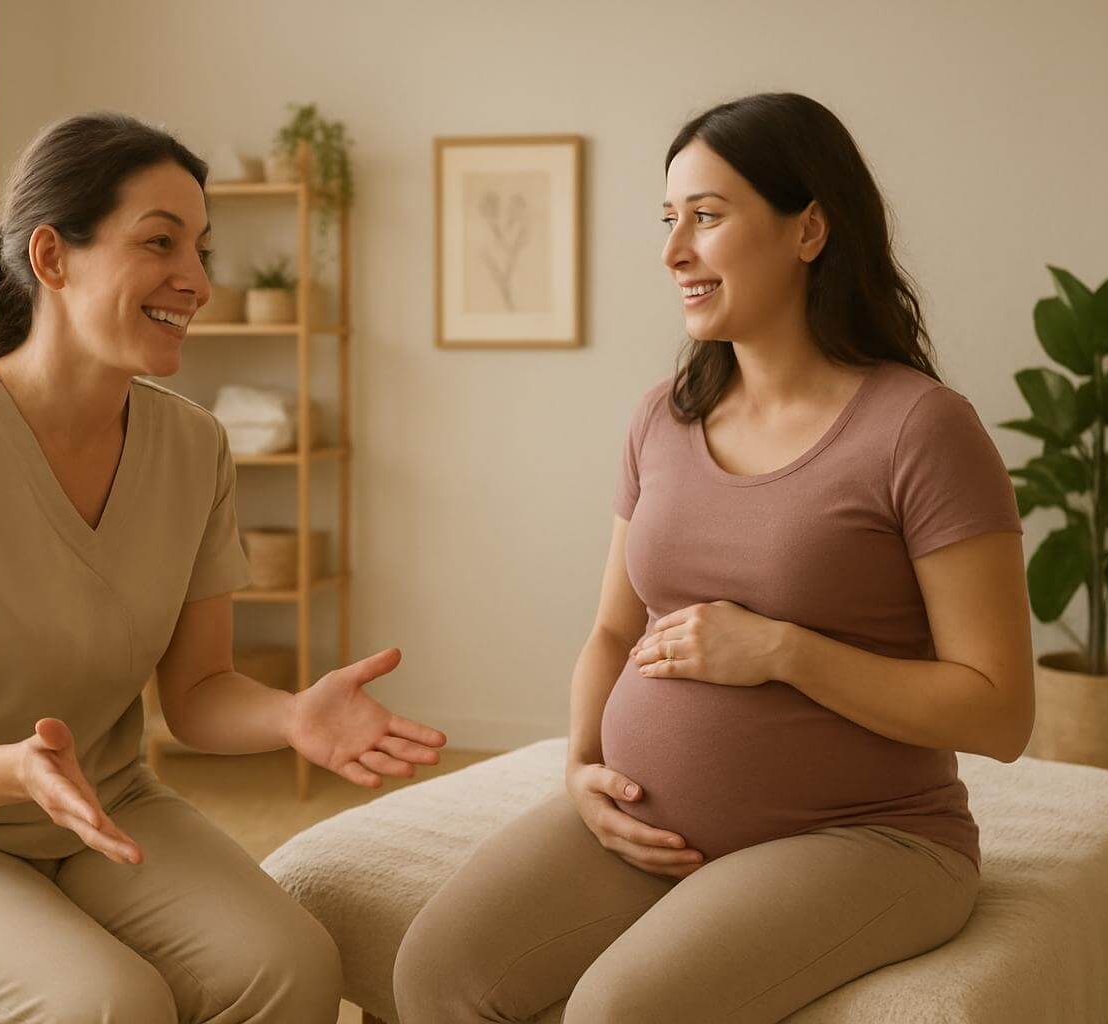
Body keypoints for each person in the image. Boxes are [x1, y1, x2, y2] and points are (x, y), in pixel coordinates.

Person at [0, 111, 446, 1024]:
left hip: (102, 809)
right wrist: (13, 769)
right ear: (53, 258)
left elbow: (200, 691)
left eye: (201, 249)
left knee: (293, 965)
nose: (198, 281)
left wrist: (292, 715)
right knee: (107, 1006)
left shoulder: (194, 446)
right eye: (160, 243)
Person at [393, 92, 1034, 1023]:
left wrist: (782, 651)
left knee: (619, 1012)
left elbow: (1001, 710)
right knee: (438, 974)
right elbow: (614, 628)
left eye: (707, 216)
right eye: (667, 219)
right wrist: (580, 771)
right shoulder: (664, 416)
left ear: (808, 228)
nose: (673, 252)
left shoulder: (921, 430)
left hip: (868, 837)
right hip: (653, 824)